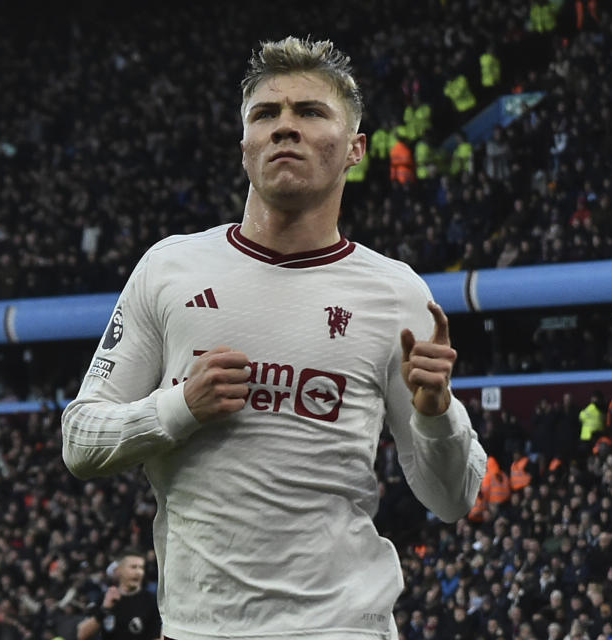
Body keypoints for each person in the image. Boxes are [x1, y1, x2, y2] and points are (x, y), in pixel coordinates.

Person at [62, 36, 487, 640]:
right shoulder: (169, 269)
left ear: (355, 150)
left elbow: (452, 499)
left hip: (345, 628)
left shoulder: (397, 294)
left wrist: (437, 413)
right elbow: (79, 441)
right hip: (200, 628)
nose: (285, 127)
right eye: (266, 114)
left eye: (311, 112)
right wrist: (179, 407)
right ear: (245, 147)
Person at [77, 549, 161, 640]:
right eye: (133, 567)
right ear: (119, 570)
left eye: (141, 567)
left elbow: (156, 637)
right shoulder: (107, 597)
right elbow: (82, 635)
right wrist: (104, 609)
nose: (138, 572)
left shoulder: (150, 601)